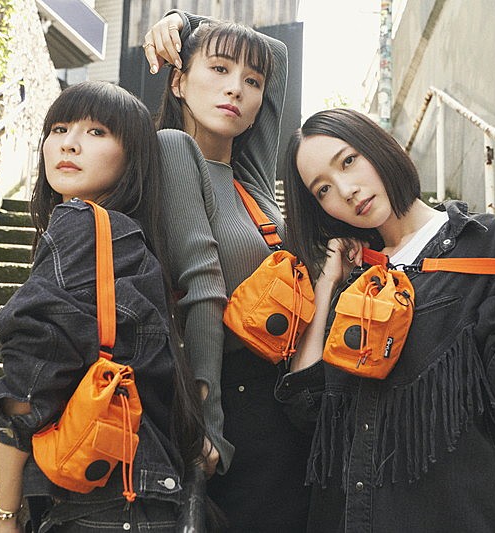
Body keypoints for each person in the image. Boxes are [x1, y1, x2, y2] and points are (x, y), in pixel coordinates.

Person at [278, 108, 495, 532]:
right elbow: (307, 409)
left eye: (348, 161)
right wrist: (325, 286)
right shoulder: (352, 277)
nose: (345, 190)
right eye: (323, 190)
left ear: (378, 147)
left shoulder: (483, 244)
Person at [0, 81, 204, 533]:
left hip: (97, 507)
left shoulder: (81, 226)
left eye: (97, 132)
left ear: (133, 158)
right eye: (59, 129)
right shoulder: (134, 244)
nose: (69, 143)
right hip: (144, 497)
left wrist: (5, 514)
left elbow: (27, 385)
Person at [142, 11, 311, 532]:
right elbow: (202, 288)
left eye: (251, 81)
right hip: (230, 399)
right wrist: (207, 419)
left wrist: (186, 19)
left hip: (281, 396)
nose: (236, 88)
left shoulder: (248, 175)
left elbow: (277, 55)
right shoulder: (173, 149)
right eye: (217, 69)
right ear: (178, 81)